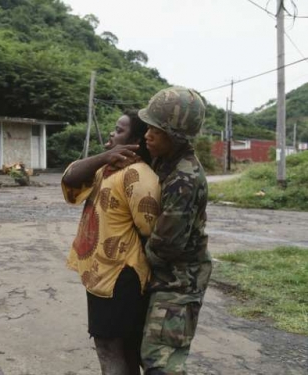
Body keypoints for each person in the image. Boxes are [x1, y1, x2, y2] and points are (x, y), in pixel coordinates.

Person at [62, 111, 161, 375]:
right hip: (101, 276)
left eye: (119, 131)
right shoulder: (105, 169)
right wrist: (105, 156)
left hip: (121, 277)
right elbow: (70, 178)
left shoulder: (138, 176)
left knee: (111, 348)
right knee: (117, 347)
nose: (111, 133)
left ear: (136, 141)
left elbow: (150, 230)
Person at [138, 87, 212, 375]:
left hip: (178, 283)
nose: (147, 135)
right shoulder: (165, 161)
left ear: (176, 135)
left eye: (155, 130)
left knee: (161, 361)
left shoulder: (183, 178)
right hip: (165, 277)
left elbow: (166, 246)